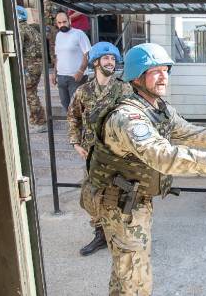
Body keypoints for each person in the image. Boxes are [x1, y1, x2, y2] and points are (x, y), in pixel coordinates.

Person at [81, 43, 206, 295]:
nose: (163, 75)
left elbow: (189, 132)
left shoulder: (157, 107)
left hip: (133, 202)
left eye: (165, 69)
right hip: (119, 206)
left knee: (126, 270)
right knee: (136, 280)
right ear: (137, 77)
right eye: (154, 71)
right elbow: (163, 155)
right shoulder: (127, 117)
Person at [67, 42, 133, 256]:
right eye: (106, 59)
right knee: (90, 196)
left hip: (118, 153)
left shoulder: (124, 88)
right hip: (92, 153)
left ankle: (122, 233)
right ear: (95, 62)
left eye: (113, 59)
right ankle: (100, 233)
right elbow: (74, 117)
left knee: (120, 194)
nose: (110, 62)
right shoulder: (83, 91)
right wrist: (76, 143)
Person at [51, 11, 91, 112]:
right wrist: (54, 73)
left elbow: (88, 53)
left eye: (64, 22)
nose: (62, 25)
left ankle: (80, 127)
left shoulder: (79, 34)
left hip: (76, 77)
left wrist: (81, 71)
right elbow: (57, 56)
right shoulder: (58, 36)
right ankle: (72, 127)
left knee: (77, 107)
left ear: (69, 20)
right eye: (59, 23)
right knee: (65, 106)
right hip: (61, 76)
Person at [16, 5, 47, 133]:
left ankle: (39, 122)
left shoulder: (20, 29)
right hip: (37, 66)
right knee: (32, 92)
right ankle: (37, 119)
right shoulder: (32, 29)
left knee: (30, 94)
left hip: (28, 67)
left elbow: (18, 50)